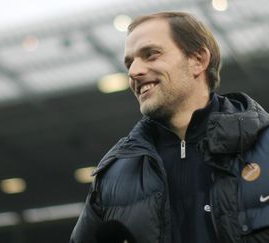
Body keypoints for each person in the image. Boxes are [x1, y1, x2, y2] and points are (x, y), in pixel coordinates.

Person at [70, 11, 269, 243]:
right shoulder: (113, 175)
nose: (134, 71)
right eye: (129, 63)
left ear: (198, 60)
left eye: (151, 54)